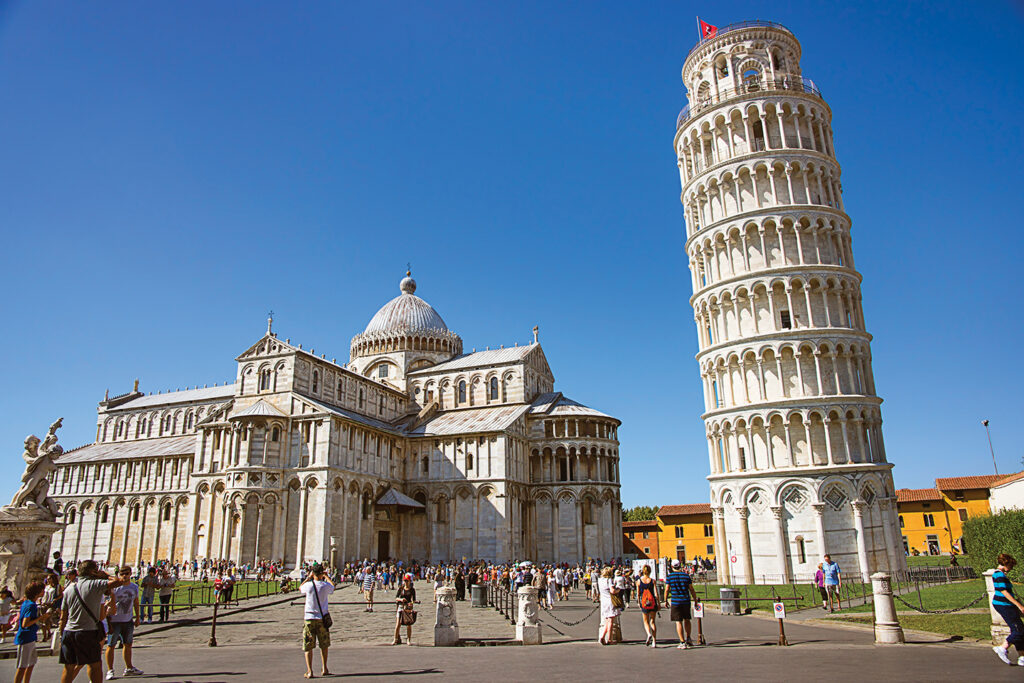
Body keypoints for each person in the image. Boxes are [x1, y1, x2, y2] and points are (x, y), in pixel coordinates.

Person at [59, 560, 126, 683]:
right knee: (94, 665)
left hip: (69, 632)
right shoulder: (94, 584)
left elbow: (63, 616)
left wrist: (60, 634)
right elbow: (119, 581)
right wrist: (105, 574)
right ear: (93, 572)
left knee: (68, 667)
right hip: (87, 631)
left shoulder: (69, 588)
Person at [105, 565, 143, 679]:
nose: (125, 576)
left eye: (127, 573)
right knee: (111, 645)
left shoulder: (134, 587)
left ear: (131, 574)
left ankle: (129, 668)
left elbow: (136, 602)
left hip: (128, 620)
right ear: (119, 575)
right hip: (114, 620)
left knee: (128, 644)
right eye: (122, 574)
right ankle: (110, 670)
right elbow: (108, 602)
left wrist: (138, 617)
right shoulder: (115, 588)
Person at [299, 563, 334, 679]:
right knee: (324, 645)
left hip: (309, 618)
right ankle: (324, 668)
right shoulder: (325, 585)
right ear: (322, 573)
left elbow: (300, 588)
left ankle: (309, 671)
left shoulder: (308, 586)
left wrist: (308, 578)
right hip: (321, 619)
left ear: (313, 573)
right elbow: (333, 586)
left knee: (308, 645)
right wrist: (327, 577)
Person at [991, 553, 1024, 666]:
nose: (1011, 568)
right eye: (1011, 566)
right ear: (1006, 564)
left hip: (1007, 605)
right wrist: (1019, 605)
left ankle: (1022, 657)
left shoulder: (1001, 575)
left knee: (1020, 629)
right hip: (1003, 605)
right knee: (1019, 630)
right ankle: (1003, 647)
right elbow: (1004, 592)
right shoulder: (998, 575)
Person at [14, 581, 46, 683]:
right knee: (22, 666)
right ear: (37, 592)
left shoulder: (27, 603)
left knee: (31, 663)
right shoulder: (31, 605)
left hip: (30, 637)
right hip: (26, 638)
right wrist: (41, 618)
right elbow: (25, 624)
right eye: (42, 590)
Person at [664, 558, 699, 649]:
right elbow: (691, 589)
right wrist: (695, 600)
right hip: (686, 600)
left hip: (676, 601)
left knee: (678, 622)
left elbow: (667, 589)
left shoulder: (670, 577)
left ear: (672, 567)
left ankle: (682, 641)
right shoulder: (686, 576)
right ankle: (688, 638)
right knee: (687, 619)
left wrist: (665, 600)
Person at [597, 566, 621, 645]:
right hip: (610, 601)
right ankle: (609, 639)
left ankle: (602, 636)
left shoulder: (600, 580)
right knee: (610, 621)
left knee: (607, 620)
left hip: (603, 602)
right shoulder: (609, 580)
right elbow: (612, 591)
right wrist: (618, 590)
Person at [637, 564, 660, 648]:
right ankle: (654, 641)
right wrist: (659, 603)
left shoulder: (639, 581)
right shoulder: (652, 581)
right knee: (652, 622)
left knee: (645, 621)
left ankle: (648, 633)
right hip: (652, 602)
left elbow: (638, 593)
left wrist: (639, 603)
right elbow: (656, 594)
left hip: (644, 603)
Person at [393, 573, 417, 645]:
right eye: (405, 581)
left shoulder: (412, 590)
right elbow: (396, 598)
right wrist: (401, 599)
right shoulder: (401, 589)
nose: (406, 582)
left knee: (408, 624)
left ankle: (408, 639)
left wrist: (411, 603)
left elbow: (414, 600)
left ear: (410, 581)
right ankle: (395, 639)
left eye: (407, 581)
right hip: (400, 607)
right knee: (398, 624)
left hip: (408, 608)